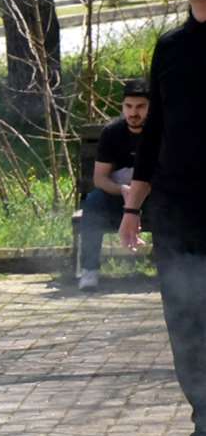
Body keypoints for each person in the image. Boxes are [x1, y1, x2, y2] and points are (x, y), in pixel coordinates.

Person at [118, 0, 206, 436]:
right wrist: (133, 205)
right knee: (186, 327)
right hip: (174, 211)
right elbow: (153, 134)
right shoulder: (170, 46)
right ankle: (203, 430)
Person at [78, 79, 150, 290]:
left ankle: (178, 271)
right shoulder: (112, 132)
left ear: (151, 108)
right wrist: (123, 190)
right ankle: (89, 270)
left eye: (140, 107)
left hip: (152, 197)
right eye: (128, 106)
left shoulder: (160, 132)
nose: (133, 113)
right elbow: (100, 178)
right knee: (93, 203)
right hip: (118, 197)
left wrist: (139, 193)